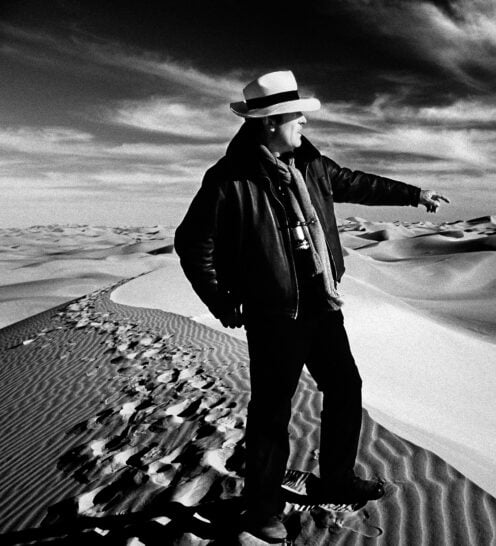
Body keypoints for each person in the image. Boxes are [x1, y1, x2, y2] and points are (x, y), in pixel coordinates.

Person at [174, 70, 449, 542]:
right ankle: (262, 509)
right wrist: (220, 300)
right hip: (274, 315)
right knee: (271, 415)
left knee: (346, 388)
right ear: (268, 123)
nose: (303, 122)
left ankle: (337, 478)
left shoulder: (312, 165)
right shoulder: (229, 180)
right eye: (295, 116)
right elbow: (192, 243)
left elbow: (358, 184)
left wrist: (413, 194)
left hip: (322, 306)